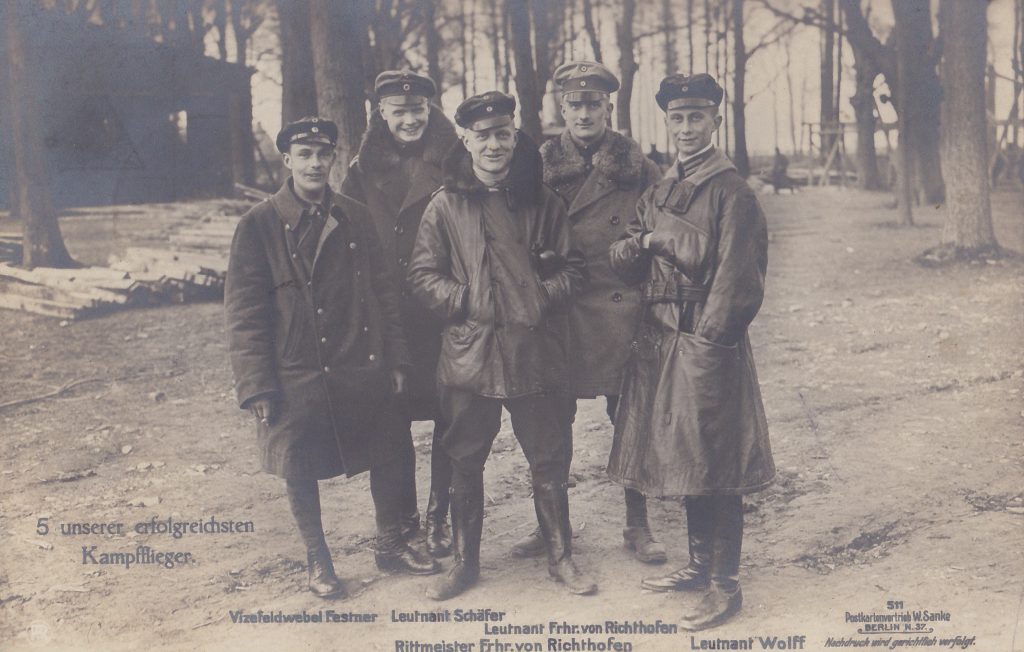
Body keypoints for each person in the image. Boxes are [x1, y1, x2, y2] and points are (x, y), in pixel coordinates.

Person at [225, 117, 440, 600]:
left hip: (360, 358)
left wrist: (399, 360)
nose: (316, 163)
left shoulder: (354, 215)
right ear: (288, 161)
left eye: (324, 154)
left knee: (390, 446)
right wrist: (256, 385)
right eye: (305, 154)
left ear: (334, 159)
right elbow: (244, 315)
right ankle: (317, 558)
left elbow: (385, 293)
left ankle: (392, 542)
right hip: (296, 368)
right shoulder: (258, 225)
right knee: (297, 462)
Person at [407, 91, 595, 600]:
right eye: (483, 135)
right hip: (471, 355)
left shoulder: (542, 199)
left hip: (535, 352)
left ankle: (561, 557)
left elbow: (576, 269)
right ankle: (466, 564)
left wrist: (539, 294)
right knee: (465, 459)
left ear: (516, 135)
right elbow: (422, 276)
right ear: (465, 139)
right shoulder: (443, 206)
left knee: (549, 456)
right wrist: (467, 298)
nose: (494, 145)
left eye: (503, 134)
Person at [608, 74, 776, 630]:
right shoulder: (658, 189)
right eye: (677, 118)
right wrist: (640, 244)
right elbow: (626, 254)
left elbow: (739, 281)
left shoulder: (733, 192)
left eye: (696, 118)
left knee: (716, 463)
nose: (685, 128)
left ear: (714, 122)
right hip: (658, 339)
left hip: (704, 341)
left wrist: (709, 341)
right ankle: (699, 566)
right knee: (683, 457)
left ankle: (725, 584)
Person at [509, 60, 666, 565]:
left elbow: (661, 228)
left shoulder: (637, 167)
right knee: (551, 421)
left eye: (593, 103)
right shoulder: (535, 161)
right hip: (559, 308)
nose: (583, 112)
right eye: (574, 103)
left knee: (630, 417)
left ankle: (637, 524)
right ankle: (551, 526)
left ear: (607, 107)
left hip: (620, 307)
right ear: (561, 106)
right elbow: (517, 226)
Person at [341, 71, 459, 558]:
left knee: (453, 419)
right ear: (381, 114)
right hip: (387, 318)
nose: (409, 120)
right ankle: (396, 526)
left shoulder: (458, 159)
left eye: (417, 111)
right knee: (388, 423)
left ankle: (440, 519)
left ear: (430, 110)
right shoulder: (360, 169)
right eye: (398, 111)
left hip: (445, 314)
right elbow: (349, 238)